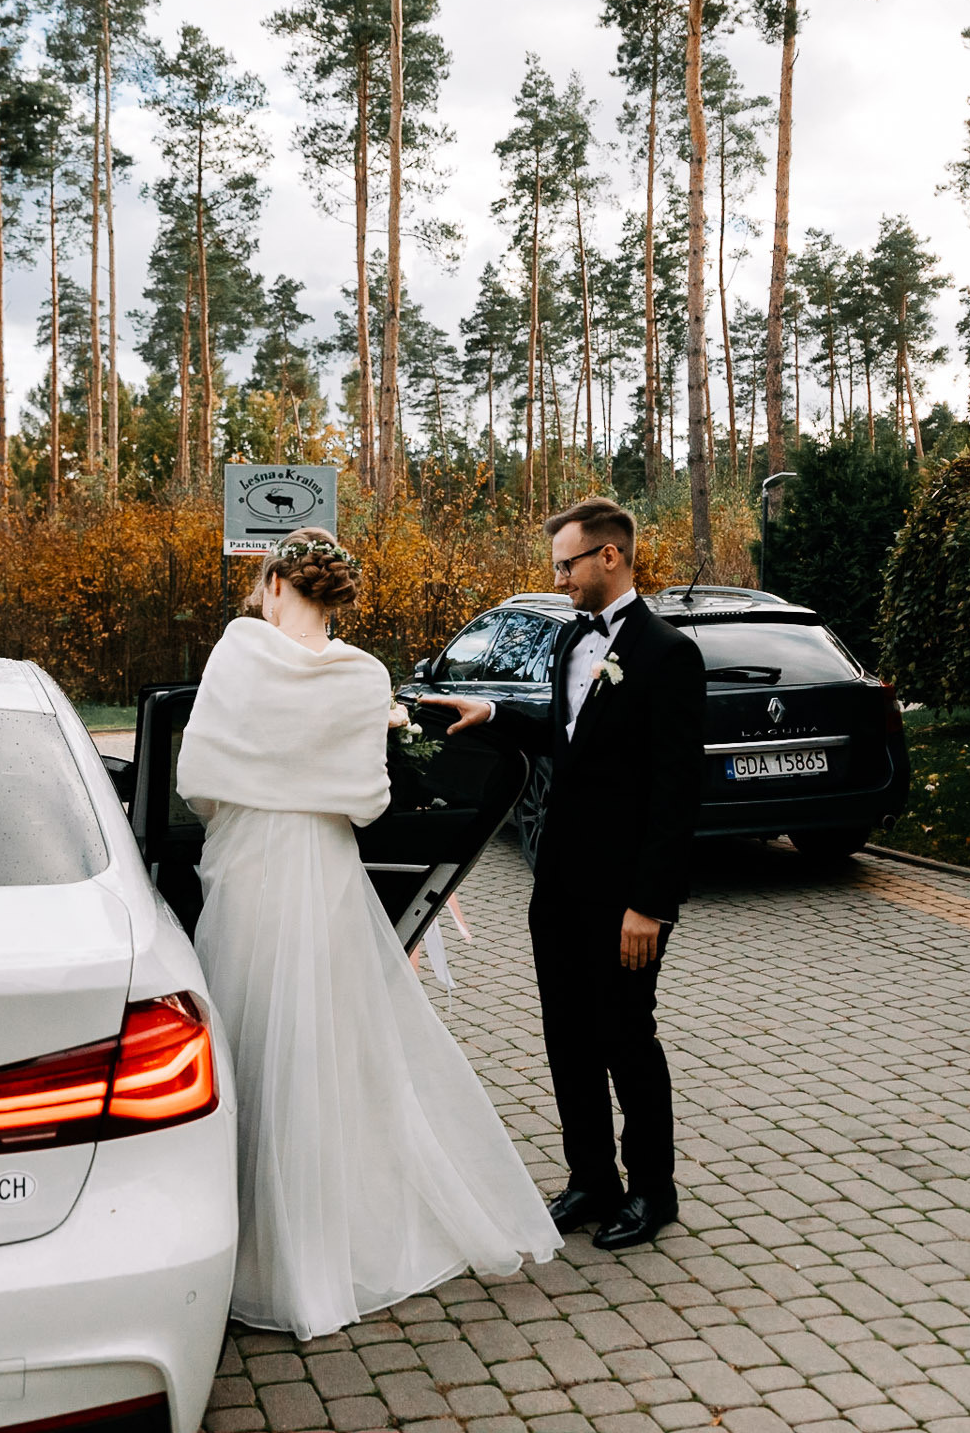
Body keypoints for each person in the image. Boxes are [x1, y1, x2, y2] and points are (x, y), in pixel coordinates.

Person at [177, 527, 561, 1340]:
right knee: (331, 1040)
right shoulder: (362, 675)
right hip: (321, 868)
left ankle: (245, 1230)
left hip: (247, 864)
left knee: (248, 1035)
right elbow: (365, 802)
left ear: (277, 581)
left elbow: (196, 779)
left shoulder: (238, 652)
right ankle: (334, 1225)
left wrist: (254, 797)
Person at [416, 496, 704, 1251]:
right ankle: (591, 1179)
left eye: (566, 564)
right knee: (566, 1035)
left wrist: (650, 903)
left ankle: (652, 1191)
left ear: (610, 556)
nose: (560, 579)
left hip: (625, 896)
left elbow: (677, 794)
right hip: (559, 882)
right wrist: (494, 715)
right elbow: (570, 734)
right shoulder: (570, 641)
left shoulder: (668, 655)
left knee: (624, 1035)